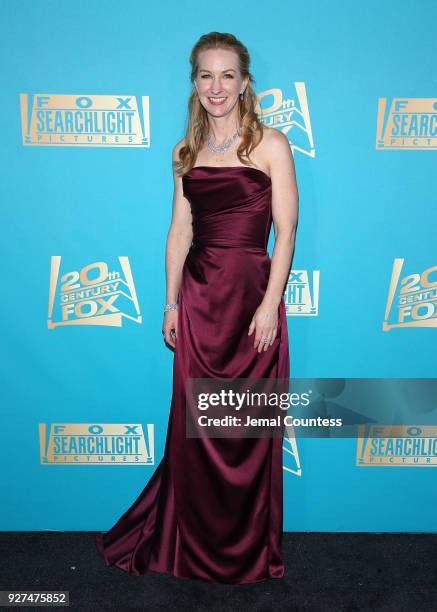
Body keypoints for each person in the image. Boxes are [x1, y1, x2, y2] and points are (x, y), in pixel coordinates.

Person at [95, 31, 298, 585]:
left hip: (252, 301)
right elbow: (180, 229)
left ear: (245, 83)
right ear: (194, 83)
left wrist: (269, 304)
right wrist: (169, 304)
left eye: (227, 74)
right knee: (195, 429)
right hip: (200, 301)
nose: (217, 86)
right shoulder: (184, 152)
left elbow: (286, 234)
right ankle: (188, 542)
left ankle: (248, 550)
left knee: (247, 428)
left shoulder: (272, 144)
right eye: (206, 75)